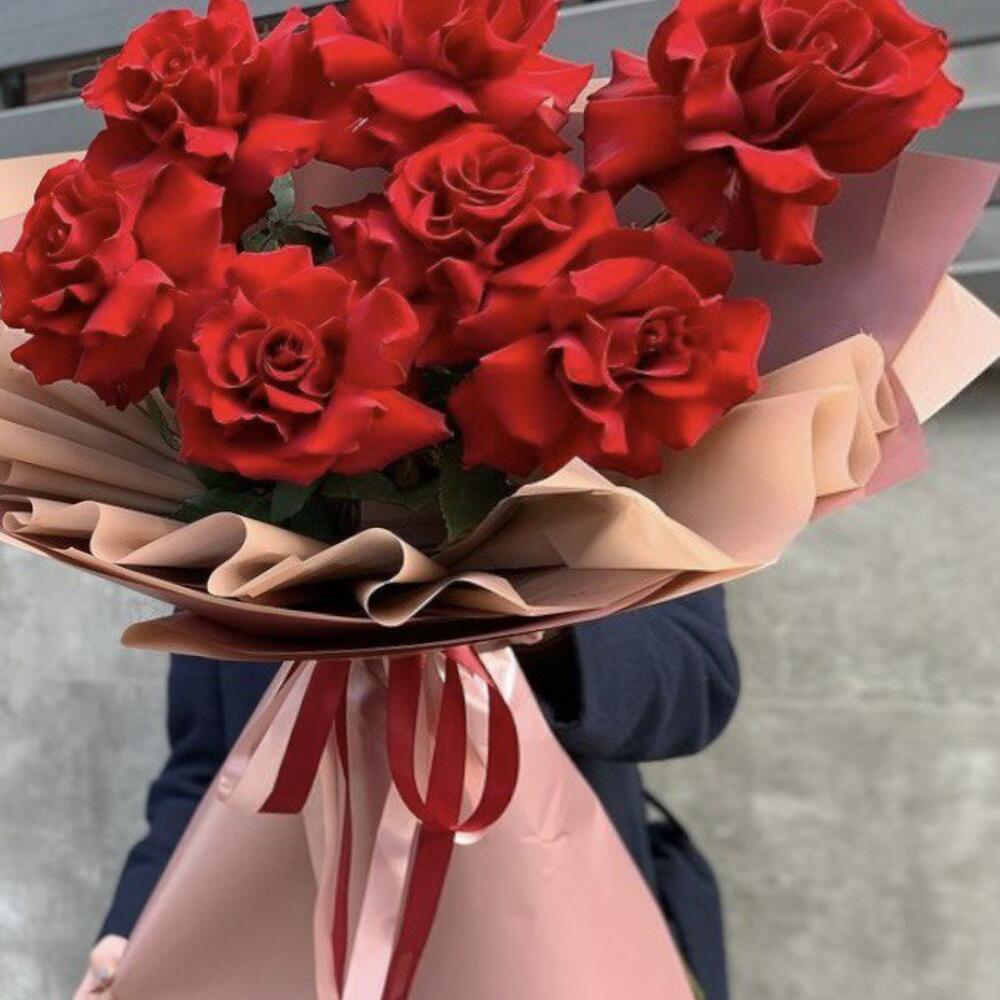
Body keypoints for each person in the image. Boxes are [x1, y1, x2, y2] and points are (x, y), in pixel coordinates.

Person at [75, 589, 740, 1000]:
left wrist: (536, 622)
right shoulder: (231, 487)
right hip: (288, 951)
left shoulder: (609, 436)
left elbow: (695, 682)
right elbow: (209, 764)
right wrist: (131, 928)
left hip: (546, 936)